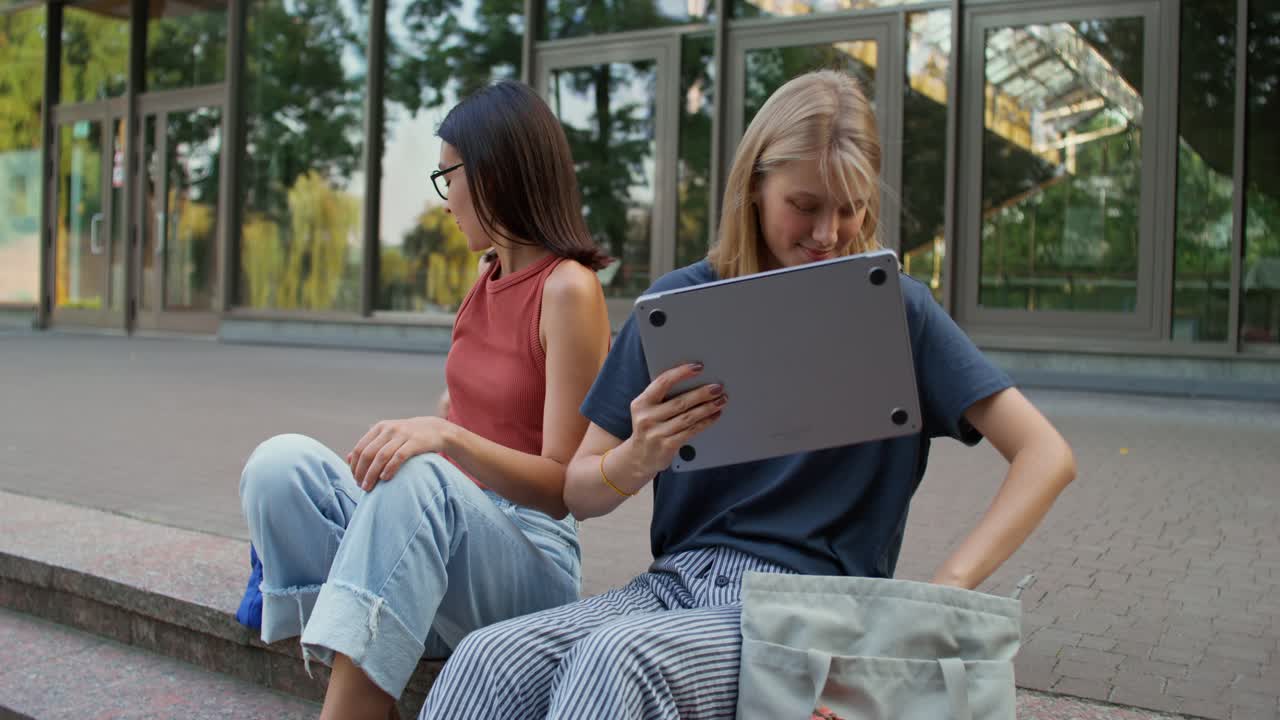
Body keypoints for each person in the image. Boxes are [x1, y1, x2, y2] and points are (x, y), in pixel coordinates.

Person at [419, 69, 1077, 719]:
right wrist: (639, 455)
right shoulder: (679, 305)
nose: (828, 233)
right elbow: (580, 491)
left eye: (850, 208)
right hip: (673, 587)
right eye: (806, 206)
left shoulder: (895, 311)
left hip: (809, 612)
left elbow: (1046, 455)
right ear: (755, 187)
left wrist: (938, 599)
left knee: (618, 661)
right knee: (486, 658)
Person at [237, 80, 612, 720]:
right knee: (281, 466)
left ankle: (350, 706)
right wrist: (429, 438)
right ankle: (358, 659)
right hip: (441, 543)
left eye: (448, 177)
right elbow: (465, 410)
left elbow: (562, 487)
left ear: (492, 174)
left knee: (424, 477)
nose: (444, 201)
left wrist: (444, 442)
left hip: (527, 561)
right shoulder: (486, 275)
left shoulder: (568, 290)